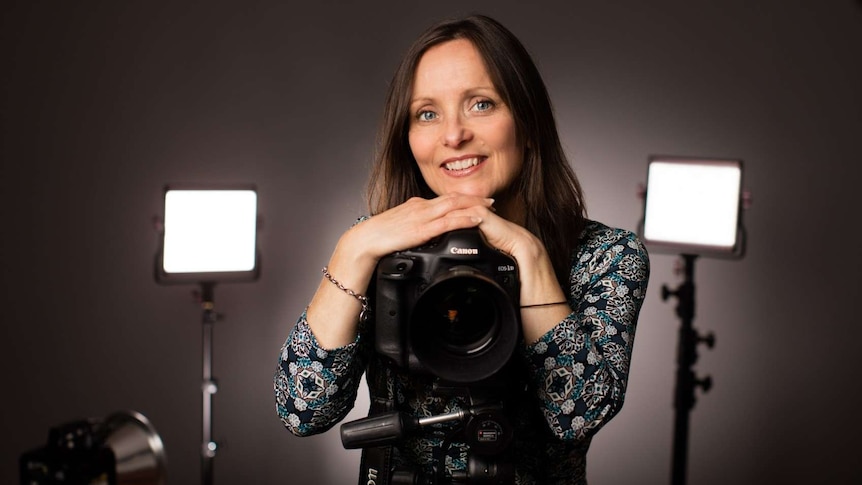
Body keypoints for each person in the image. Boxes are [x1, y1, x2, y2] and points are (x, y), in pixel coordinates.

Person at [275, 14, 649, 485]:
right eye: (427, 114)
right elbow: (302, 410)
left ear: (528, 122)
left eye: (481, 104)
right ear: (407, 138)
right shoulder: (379, 248)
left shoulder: (605, 255)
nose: (453, 136)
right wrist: (353, 248)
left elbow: (577, 415)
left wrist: (529, 257)